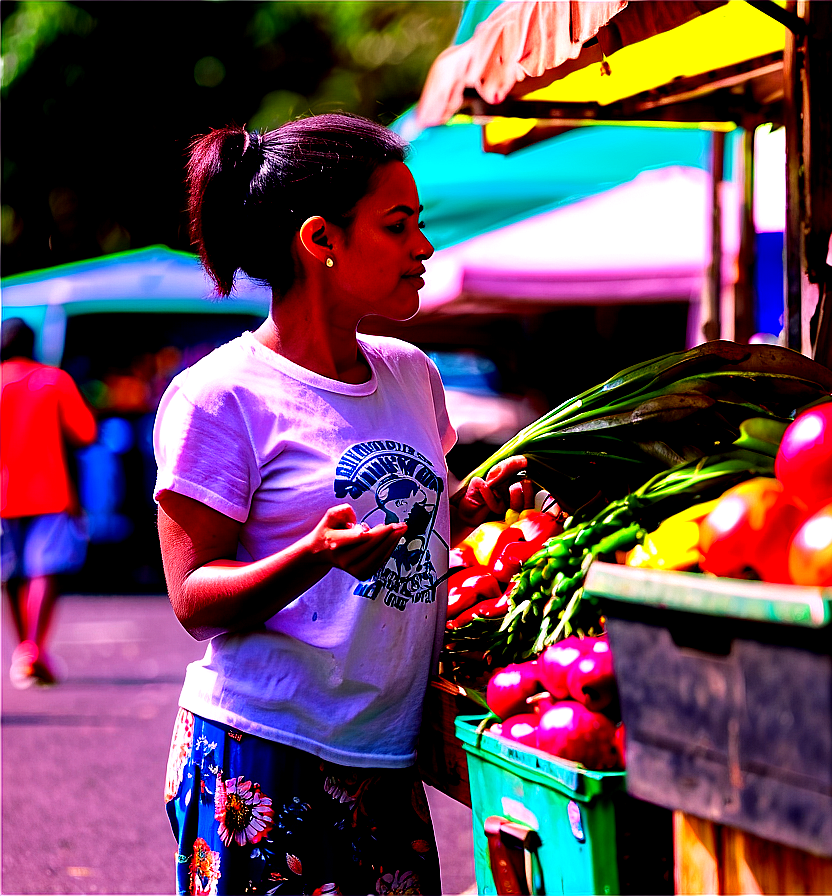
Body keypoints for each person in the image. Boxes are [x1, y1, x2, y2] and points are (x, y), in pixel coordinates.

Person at [154, 112, 529, 896]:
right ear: (322, 240)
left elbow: (402, 519)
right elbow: (194, 600)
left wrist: (471, 505)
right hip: (261, 753)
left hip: (386, 761)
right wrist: (310, 558)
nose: (423, 248)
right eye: (399, 227)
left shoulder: (411, 374)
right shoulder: (219, 397)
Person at [1, 317, 97, 688]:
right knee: (43, 569)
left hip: (4, 493)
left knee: (9, 573)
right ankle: (32, 649)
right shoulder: (53, 380)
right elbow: (86, 432)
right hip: (50, 489)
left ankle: (25, 650)